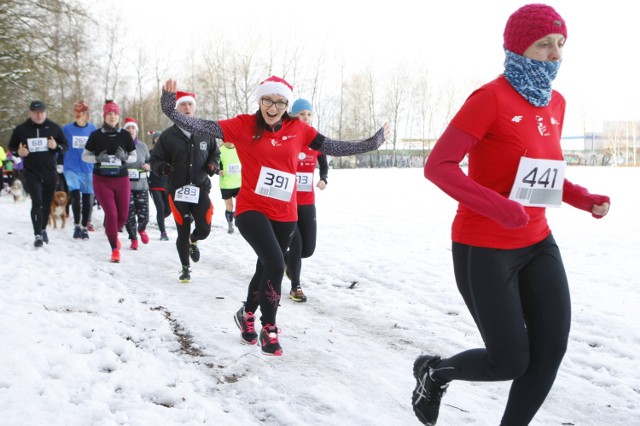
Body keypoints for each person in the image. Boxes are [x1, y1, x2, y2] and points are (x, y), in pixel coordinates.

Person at [413, 5, 611, 425]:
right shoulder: (489, 98)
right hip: (484, 247)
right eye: (544, 45)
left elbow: (539, 176)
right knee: (509, 361)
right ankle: (435, 372)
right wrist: (499, 207)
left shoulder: (556, 103)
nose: (555, 54)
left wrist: (583, 198)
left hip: (538, 242)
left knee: (550, 352)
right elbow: (439, 166)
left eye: (560, 44)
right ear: (519, 48)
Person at [160, 76, 389, 356]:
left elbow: (335, 147)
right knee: (276, 263)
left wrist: (373, 142)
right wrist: (170, 107)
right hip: (251, 209)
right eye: (268, 100)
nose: (273, 107)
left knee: (266, 266)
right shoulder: (243, 125)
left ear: (286, 105)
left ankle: (246, 313)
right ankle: (269, 327)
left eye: (280, 102)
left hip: (286, 211)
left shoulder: (299, 129)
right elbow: (200, 124)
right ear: (260, 100)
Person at [150, 91, 220, 283]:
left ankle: (194, 240)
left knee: (204, 229)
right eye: (183, 105)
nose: (187, 108)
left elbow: (216, 154)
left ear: (195, 108)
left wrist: (213, 165)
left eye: (190, 104)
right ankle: (185, 268)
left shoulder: (206, 132)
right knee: (182, 229)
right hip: (177, 190)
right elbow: (154, 160)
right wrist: (162, 168)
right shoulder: (167, 136)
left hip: (200, 188)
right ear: (176, 110)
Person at [284, 98, 328, 303]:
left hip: (308, 201)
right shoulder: (287, 137)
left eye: (309, 114)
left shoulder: (315, 139)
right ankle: (295, 287)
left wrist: (323, 179)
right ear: (293, 115)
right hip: (288, 203)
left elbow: (323, 162)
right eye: (302, 114)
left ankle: (285, 261)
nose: (306, 118)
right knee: (298, 246)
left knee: (308, 250)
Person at [82, 100, 136, 263]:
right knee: (111, 214)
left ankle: (112, 232)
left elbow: (134, 157)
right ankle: (114, 249)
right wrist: (98, 158)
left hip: (121, 179)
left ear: (118, 116)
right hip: (102, 179)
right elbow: (85, 156)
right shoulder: (96, 135)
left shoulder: (125, 135)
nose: (112, 116)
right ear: (104, 116)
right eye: (109, 114)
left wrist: (125, 157)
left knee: (123, 216)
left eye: (115, 113)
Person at [8, 100, 68, 247]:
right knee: (37, 202)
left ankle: (42, 229)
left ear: (45, 113)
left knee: (47, 204)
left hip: (49, 172)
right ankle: (38, 234)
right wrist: (18, 151)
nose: (39, 115)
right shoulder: (22, 129)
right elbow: (12, 146)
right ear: (30, 113)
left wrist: (56, 146)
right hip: (31, 172)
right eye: (36, 112)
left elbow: (65, 146)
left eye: (42, 112)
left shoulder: (53, 128)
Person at [62, 100, 97, 240]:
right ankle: (77, 226)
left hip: (87, 168)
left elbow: (97, 147)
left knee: (88, 198)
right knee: (75, 195)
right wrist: (58, 162)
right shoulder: (67, 129)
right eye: (78, 113)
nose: (80, 115)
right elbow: (62, 145)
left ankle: (84, 226)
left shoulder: (93, 129)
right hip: (71, 167)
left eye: (83, 113)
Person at [122, 117, 151, 250]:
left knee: (144, 213)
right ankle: (133, 238)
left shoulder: (143, 146)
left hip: (142, 185)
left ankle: (142, 229)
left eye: (133, 128)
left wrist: (148, 166)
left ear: (136, 131)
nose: (130, 130)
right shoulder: (120, 146)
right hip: (126, 187)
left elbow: (152, 161)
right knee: (129, 214)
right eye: (128, 128)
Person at [148, 131, 171, 241]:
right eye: (155, 138)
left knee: (168, 210)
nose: (157, 140)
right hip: (154, 184)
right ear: (153, 140)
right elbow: (144, 163)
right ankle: (163, 232)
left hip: (166, 185)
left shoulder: (168, 154)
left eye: (159, 138)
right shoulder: (150, 153)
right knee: (160, 208)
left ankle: (160, 219)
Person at [217, 140, 241, 234]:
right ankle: (230, 223)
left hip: (239, 183)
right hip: (226, 184)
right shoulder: (220, 150)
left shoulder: (239, 148)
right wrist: (218, 171)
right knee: (229, 206)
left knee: (240, 204)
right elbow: (215, 164)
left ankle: (237, 216)